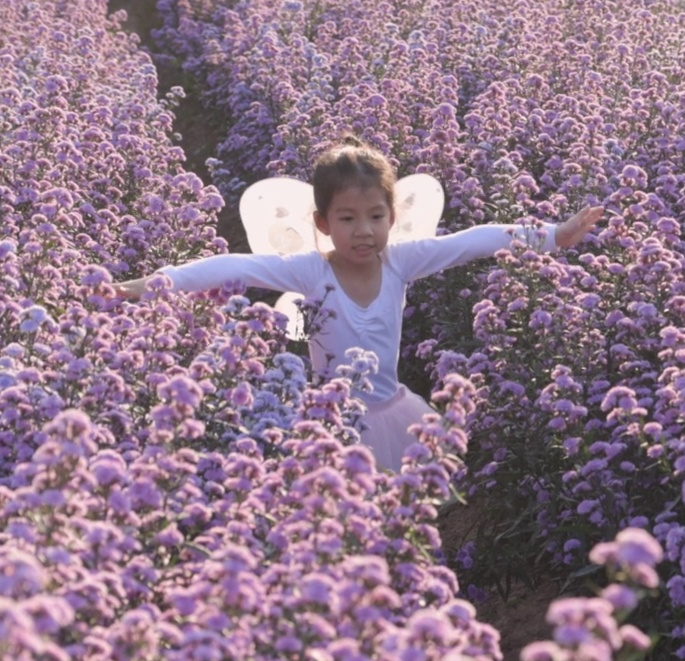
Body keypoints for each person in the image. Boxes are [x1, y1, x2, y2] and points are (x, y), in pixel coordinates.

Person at [118, 135, 603, 472]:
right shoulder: (310, 270)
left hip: (393, 417)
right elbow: (231, 267)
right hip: (330, 425)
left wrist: (553, 237)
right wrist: (150, 285)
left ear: (392, 217)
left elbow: (471, 241)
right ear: (324, 223)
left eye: (375, 216)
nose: (364, 231)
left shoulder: (400, 262)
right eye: (347, 218)